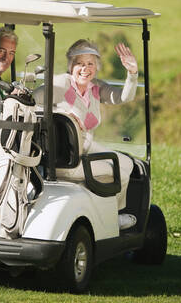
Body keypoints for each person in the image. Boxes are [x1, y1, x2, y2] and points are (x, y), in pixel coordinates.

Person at [47, 39, 138, 230]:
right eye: (80, 63)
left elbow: (124, 97)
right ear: (71, 65)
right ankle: (112, 217)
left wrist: (132, 73)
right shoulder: (62, 83)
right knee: (118, 173)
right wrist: (64, 115)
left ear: (96, 67)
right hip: (65, 156)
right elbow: (36, 101)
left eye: (90, 63)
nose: (85, 68)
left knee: (128, 164)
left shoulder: (95, 87)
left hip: (86, 148)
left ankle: (109, 210)